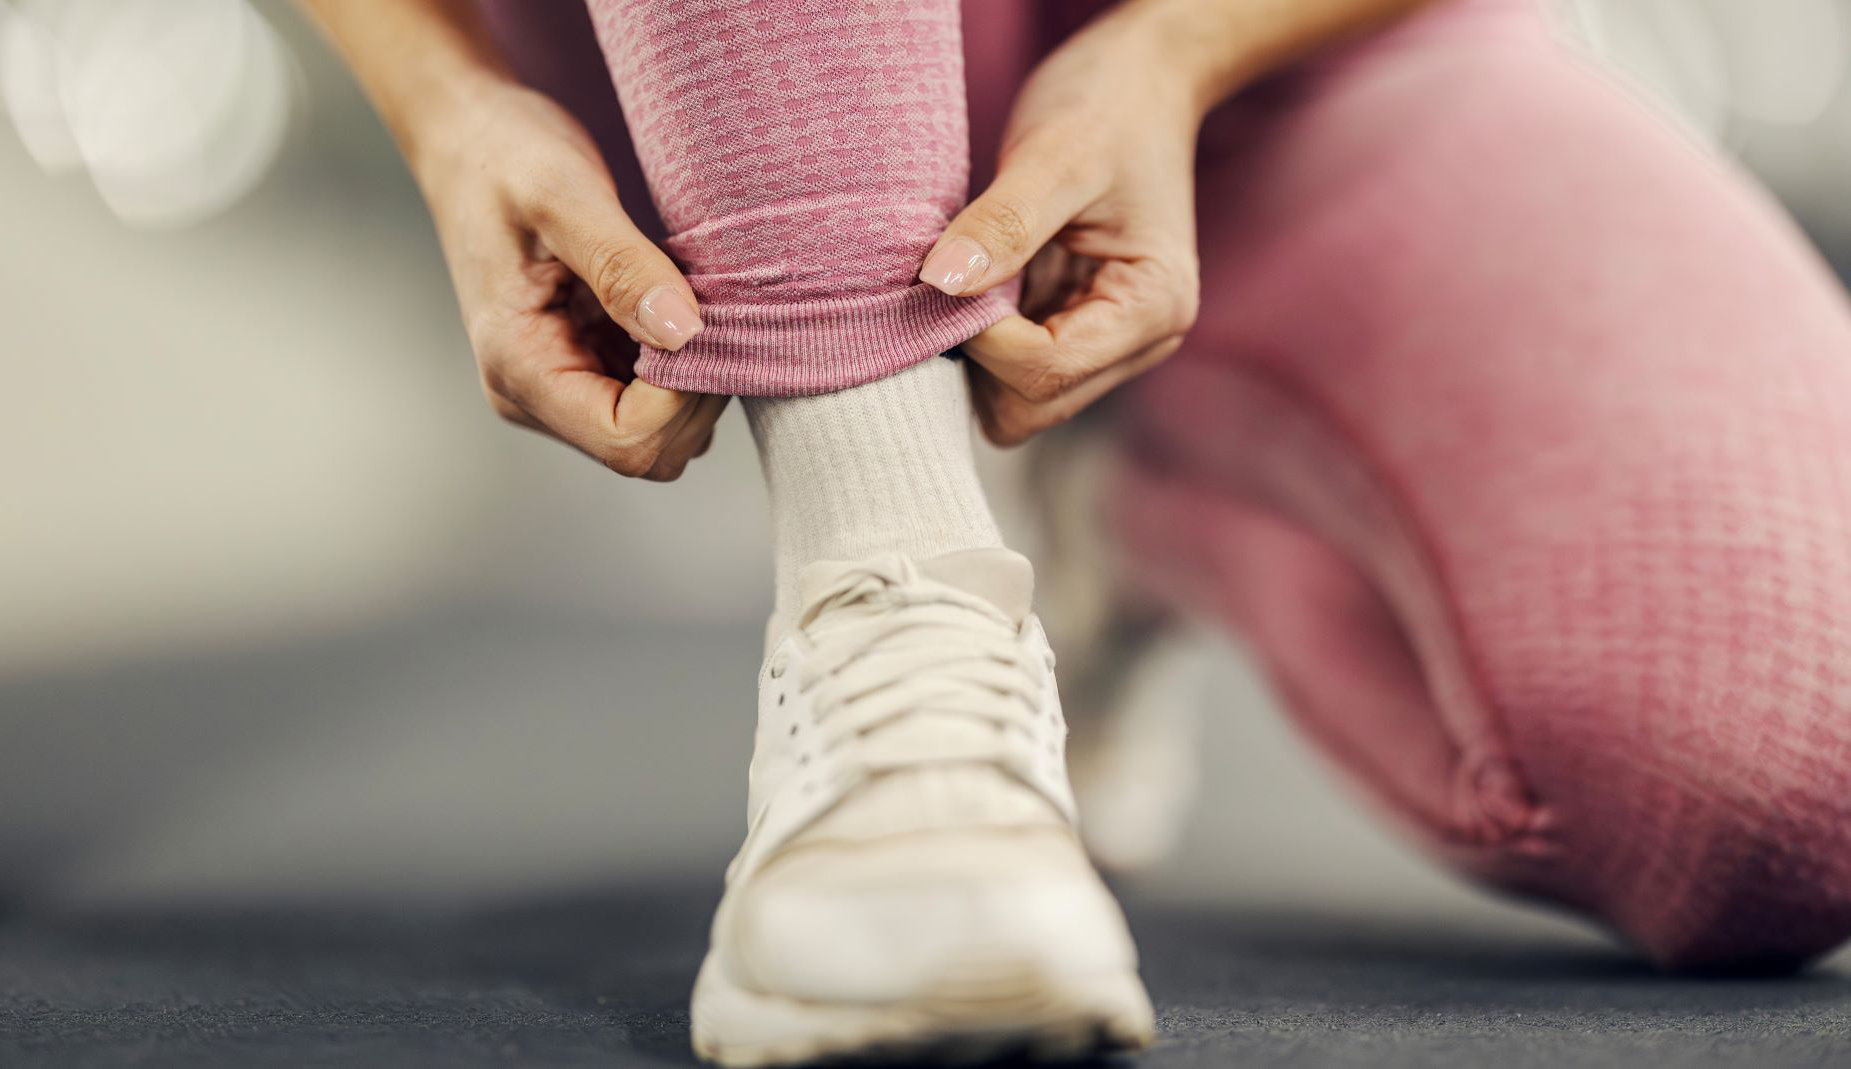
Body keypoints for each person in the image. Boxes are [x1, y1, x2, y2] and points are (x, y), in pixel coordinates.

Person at [304, 0, 1851, 1064]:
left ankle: (1113, 502)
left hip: (1271, 68)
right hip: (717, 67)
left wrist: (1176, 52)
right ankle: (892, 571)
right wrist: (446, 106)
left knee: (1777, 799)